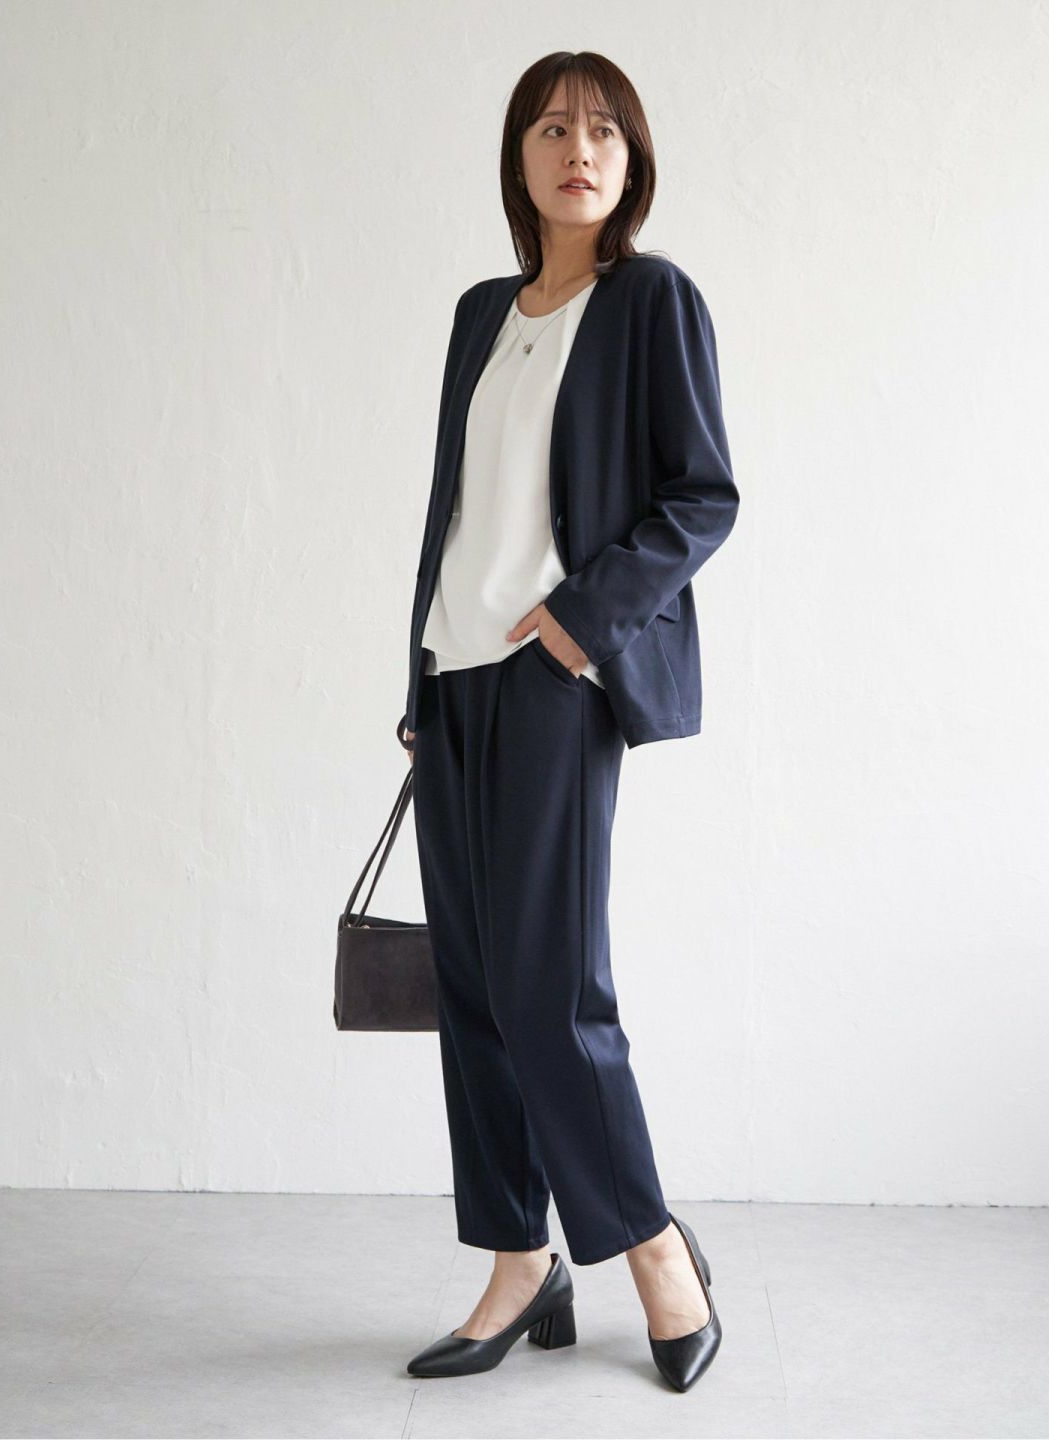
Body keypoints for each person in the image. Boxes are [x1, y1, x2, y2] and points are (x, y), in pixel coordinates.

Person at [396, 51, 738, 1392]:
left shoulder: (651, 300)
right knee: (474, 992)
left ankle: (653, 1250)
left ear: (630, 160)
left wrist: (576, 626)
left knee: (552, 992)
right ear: (519, 157)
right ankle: (517, 1258)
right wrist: (421, 681)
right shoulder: (481, 313)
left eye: (601, 130)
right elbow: (457, 513)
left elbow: (701, 497)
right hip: (454, 681)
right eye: (551, 127)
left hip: (555, 679)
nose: (576, 149)